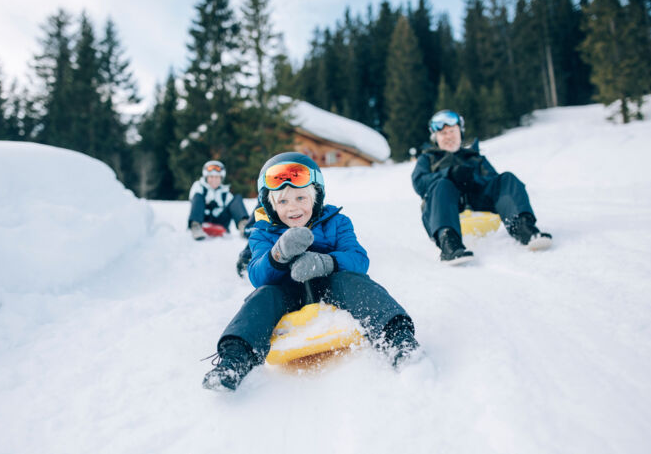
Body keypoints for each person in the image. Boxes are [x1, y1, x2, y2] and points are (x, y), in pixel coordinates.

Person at [203, 152, 421, 391]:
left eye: (300, 198)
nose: (293, 208)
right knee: (262, 297)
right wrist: (278, 255)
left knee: (356, 282)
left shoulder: (337, 222)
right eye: (283, 202)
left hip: (331, 284)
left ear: (316, 197)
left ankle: (398, 339)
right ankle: (233, 360)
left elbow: (359, 260)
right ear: (271, 205)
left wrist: (325, 262)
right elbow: (257, 275)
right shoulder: (262, 232)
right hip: (286, 291)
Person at [411, 110, 552, 264]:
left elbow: (494, 183)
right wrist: (448, 173)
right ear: (435, 138)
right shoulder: (428, 159)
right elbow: (419, 183)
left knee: (506, 179)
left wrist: (473, 179)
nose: (448, 136)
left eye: (452, 131)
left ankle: (522, 226)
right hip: (442, 208)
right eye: (443, 133)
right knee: (442, 185)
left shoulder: (475, 157)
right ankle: (449, 243)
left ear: (460, 133)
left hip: (476, 201)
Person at [188, 160, 249, 241]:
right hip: (204, 220)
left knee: (237, 198)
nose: (214, 180)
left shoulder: (225, 192)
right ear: (206, 178)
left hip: (220, 223)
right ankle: (196, 227)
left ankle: (244, 226)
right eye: (211, 177)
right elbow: (193, 197)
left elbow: (234, 207)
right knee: (198, 197)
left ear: (221, 179)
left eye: (217, 177)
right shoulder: (199, 187)